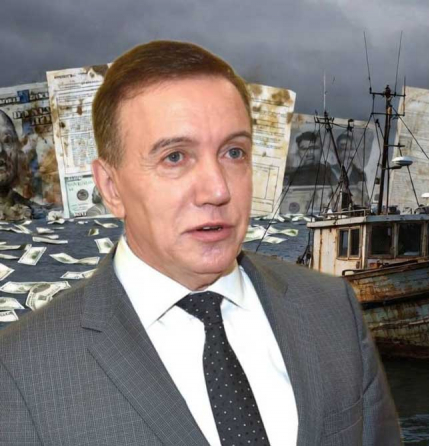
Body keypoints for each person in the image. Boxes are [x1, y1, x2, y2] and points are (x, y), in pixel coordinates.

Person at [0, 41, 401, 445]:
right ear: (111, 187)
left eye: (233, 152)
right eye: (175, 157)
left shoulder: (334, 310)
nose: (217, 189)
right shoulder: (19, 370)